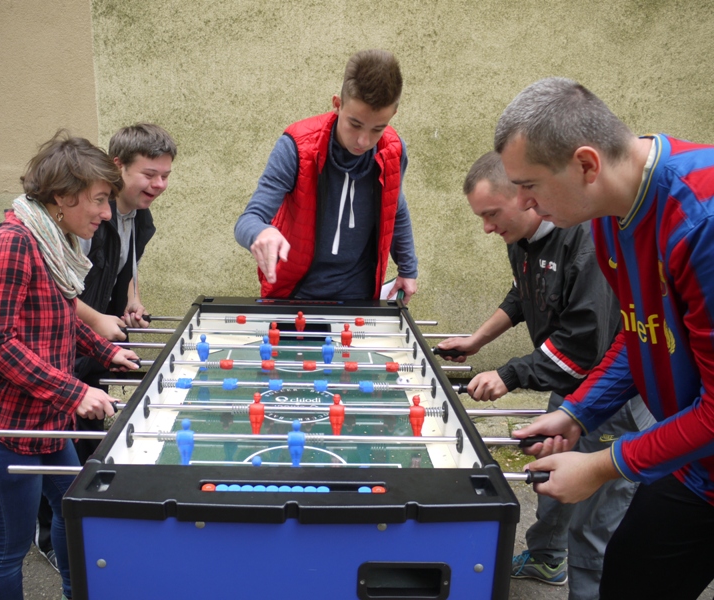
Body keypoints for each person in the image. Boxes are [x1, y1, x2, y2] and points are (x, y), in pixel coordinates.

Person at [495, 77, 714, 599]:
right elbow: (640, 334)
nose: (522, 203)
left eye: (529, 186)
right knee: (629, 574)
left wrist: (600, 465)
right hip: (696, 467)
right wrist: (578, 413)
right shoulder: (608, 216)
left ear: (587, 165)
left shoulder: (700, 220)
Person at [437, 151, 652, 598]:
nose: (487, 228)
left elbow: (585, 344)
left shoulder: (585, 241)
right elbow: (523, 293)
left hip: (615, 396)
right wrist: (477, 340)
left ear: (524, 197)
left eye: (492, 214)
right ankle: (546, 558)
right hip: (569, 384)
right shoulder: (521, 237)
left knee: (594, 523)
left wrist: (509, 375)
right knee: (552, 479)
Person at [0, 131, 140, 600]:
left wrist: (105, 351)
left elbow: (57, 318)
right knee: (7, 550)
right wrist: (75, 392)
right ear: (62, 196)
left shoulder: (52, 244)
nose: (106, 213)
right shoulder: (10, 244)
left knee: (75, 518)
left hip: (45, 424)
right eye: (99, 199)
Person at [34, 123, 177, 568]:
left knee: (87, 435)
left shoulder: (139, 216)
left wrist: (132, 299)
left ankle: (86, 523)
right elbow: (56, 287)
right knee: (58, 442)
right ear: (118, 167)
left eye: (165, 175)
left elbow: (125, 265)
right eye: (149, 174)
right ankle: (49, 534)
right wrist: (96, 321)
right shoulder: (88, 216)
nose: (159, 184)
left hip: (95, 341)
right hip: (70, 340)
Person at [234, 49, 418, 304]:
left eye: (378, 128)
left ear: (392, 115)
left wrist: (408, 269)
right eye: (354, 124)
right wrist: (261, 232)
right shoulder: (296, 147)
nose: (363, 141)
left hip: (361, 296)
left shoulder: (394, 150)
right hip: (295, 295)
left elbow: (395, 208)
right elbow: (248, 220)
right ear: (337, 104)